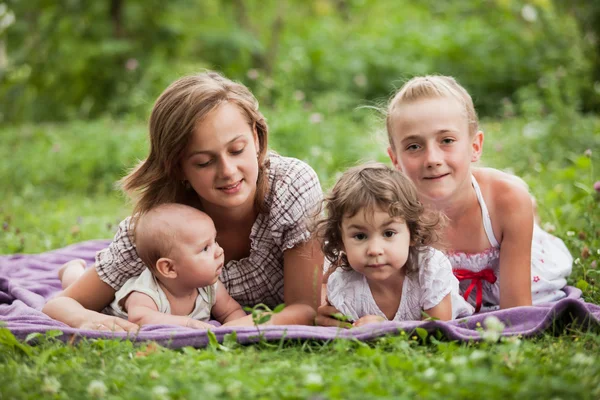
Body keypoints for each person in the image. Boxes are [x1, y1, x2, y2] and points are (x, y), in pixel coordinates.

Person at [43, 71, 323, 332]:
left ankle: (75, 270)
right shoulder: (159, 227)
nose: (227, 171)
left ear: (257, 139)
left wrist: (229, 331)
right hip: (141, 294)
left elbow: (303, 308)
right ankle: (74, 271)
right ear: (179, 169)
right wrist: (91, 320)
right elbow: (60, 305)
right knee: (105, 293)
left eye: (237, 150)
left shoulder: (290, 187)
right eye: (204, 162)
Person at [382, 75, 572, 313]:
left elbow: (517, 312)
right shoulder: (391, 212)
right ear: (395, 159)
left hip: (510, 260)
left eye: (447, 140)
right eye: (413, 146)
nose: (432, 159)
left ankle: (529, 222)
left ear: (475, 146)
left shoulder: (507, 199)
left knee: (518, 207)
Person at [313, 163, 473, 327]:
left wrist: (387, 329)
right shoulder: (344, 286)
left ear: (412, 232)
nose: (375, 250)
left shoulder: (430, 268)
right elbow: (347, 336)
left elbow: (437, 331)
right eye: (360, 236)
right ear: (341, 242)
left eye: (388, 233)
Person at [56, 204, 247, 329]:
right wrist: (188, 323)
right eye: (205, 248)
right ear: (169, 268)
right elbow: (139, 318)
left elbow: (231, 311)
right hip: (105, 303)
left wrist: (231, 330)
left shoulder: (209, 285)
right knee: (75, 284)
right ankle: (71, 269)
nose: (219, 251)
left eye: (215, 241)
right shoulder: (147, 293)